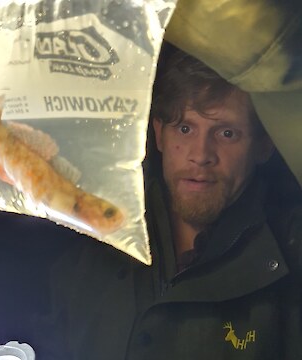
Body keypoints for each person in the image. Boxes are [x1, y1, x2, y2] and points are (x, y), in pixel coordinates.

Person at [28, 42, 302, 359]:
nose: (200, 155)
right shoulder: (95, 241)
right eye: (185, 128)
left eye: (226, 133)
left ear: (263, 147)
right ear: (160, 135)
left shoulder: (290, 261)